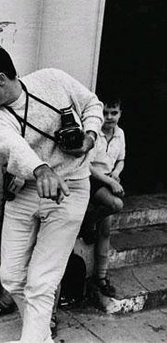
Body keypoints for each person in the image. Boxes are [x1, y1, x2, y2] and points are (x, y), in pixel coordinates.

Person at [0, 41, 103, 343]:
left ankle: (33, 339)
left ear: (1, 79)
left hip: (71, 189)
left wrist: (89, 138)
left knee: (41, 282)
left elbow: (92, 104)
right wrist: (41, 170)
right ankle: (40, 337)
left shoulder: (52, 79)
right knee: (11, 277)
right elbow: (16, 148)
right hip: (25, 191)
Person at [80, 97, 126, 297]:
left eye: (114, 113)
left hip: (107, 179)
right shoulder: (93, 132)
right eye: (105, 112)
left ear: (120, 113)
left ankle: (101, 277)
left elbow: (121, 160)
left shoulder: (120, 133)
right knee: (116, 204)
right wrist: (111, 182)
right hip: (91, 179)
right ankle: (88, 222)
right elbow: (87, 165)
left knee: (105, 231)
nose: (109, 117)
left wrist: (116, 174)